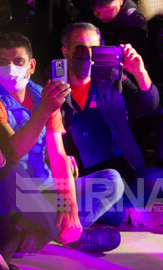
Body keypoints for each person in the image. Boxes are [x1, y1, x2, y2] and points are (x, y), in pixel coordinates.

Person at [0, 31, 124, 254]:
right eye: (3, 62)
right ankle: (71, 236)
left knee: (112, 180)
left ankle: (50, 228)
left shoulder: (42, 94)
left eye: (18, 61)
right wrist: (44, 110)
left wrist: (69, 206)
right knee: (17, 177)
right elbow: (11, 153)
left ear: (31, 66)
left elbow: (57, 154)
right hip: (9, 190)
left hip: (45, 185)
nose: (10, 68)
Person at [58, 23, 161, 217]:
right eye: (80, 48)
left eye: (94, 49)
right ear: (66, 51)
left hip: (125, 173)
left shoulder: (113, 80)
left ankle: (118, 211)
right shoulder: (56, 90)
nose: (88, 54)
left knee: (159, 180)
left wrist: (139, 72)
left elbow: (150, 107)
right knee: (115, 211)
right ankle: (123, 212)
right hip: (88, 181)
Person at [84, 0, 149, 54]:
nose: (101, 16)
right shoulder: (89, 13)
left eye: (107, 11)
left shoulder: (136, 22)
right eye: (96, 12)